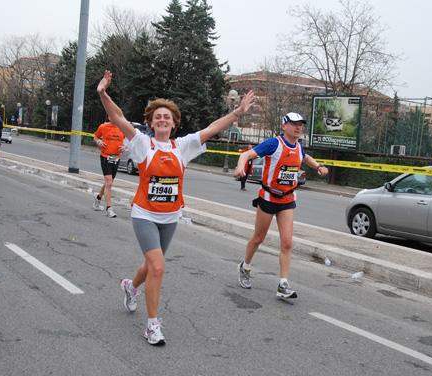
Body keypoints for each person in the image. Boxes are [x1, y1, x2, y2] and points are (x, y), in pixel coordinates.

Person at [97, 70, 255, 345]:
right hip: (144, 214)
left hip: (170, 217)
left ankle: (131, 287)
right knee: (158, 266)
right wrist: (103, 93)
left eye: (166, 117)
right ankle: (152, 326)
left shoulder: (182, 147)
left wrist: (237, 113)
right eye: (157, 116)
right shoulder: (142, 144)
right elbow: (118, 118)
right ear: (151, 122)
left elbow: (212, 128)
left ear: (173, 124)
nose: (161, 120)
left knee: (151, 265)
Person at [234, 112, 329, 299]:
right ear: (284, 126)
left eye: (301, 124)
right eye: (294, 123)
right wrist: (240, 166)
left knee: (287, 243)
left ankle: (283, 284)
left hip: (287, 200)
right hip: (269, 198)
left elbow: (305, 157)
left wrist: (318, 166)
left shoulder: (298, 147)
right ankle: (244, 266)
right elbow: (246, 155)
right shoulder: (274, 143)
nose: (298, 127)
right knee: (258, 238)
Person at [92, 116, 126, 218]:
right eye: (112, 116)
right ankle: (109, 208)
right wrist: (99, 142)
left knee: (109, 183)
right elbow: (95, 137)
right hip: (105, 156)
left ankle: (98, 198)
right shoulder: (103, 127)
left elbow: (129, 140)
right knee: (109, 182)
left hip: (116, 158)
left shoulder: (122, 128)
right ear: (109, 117)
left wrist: (124, 147)